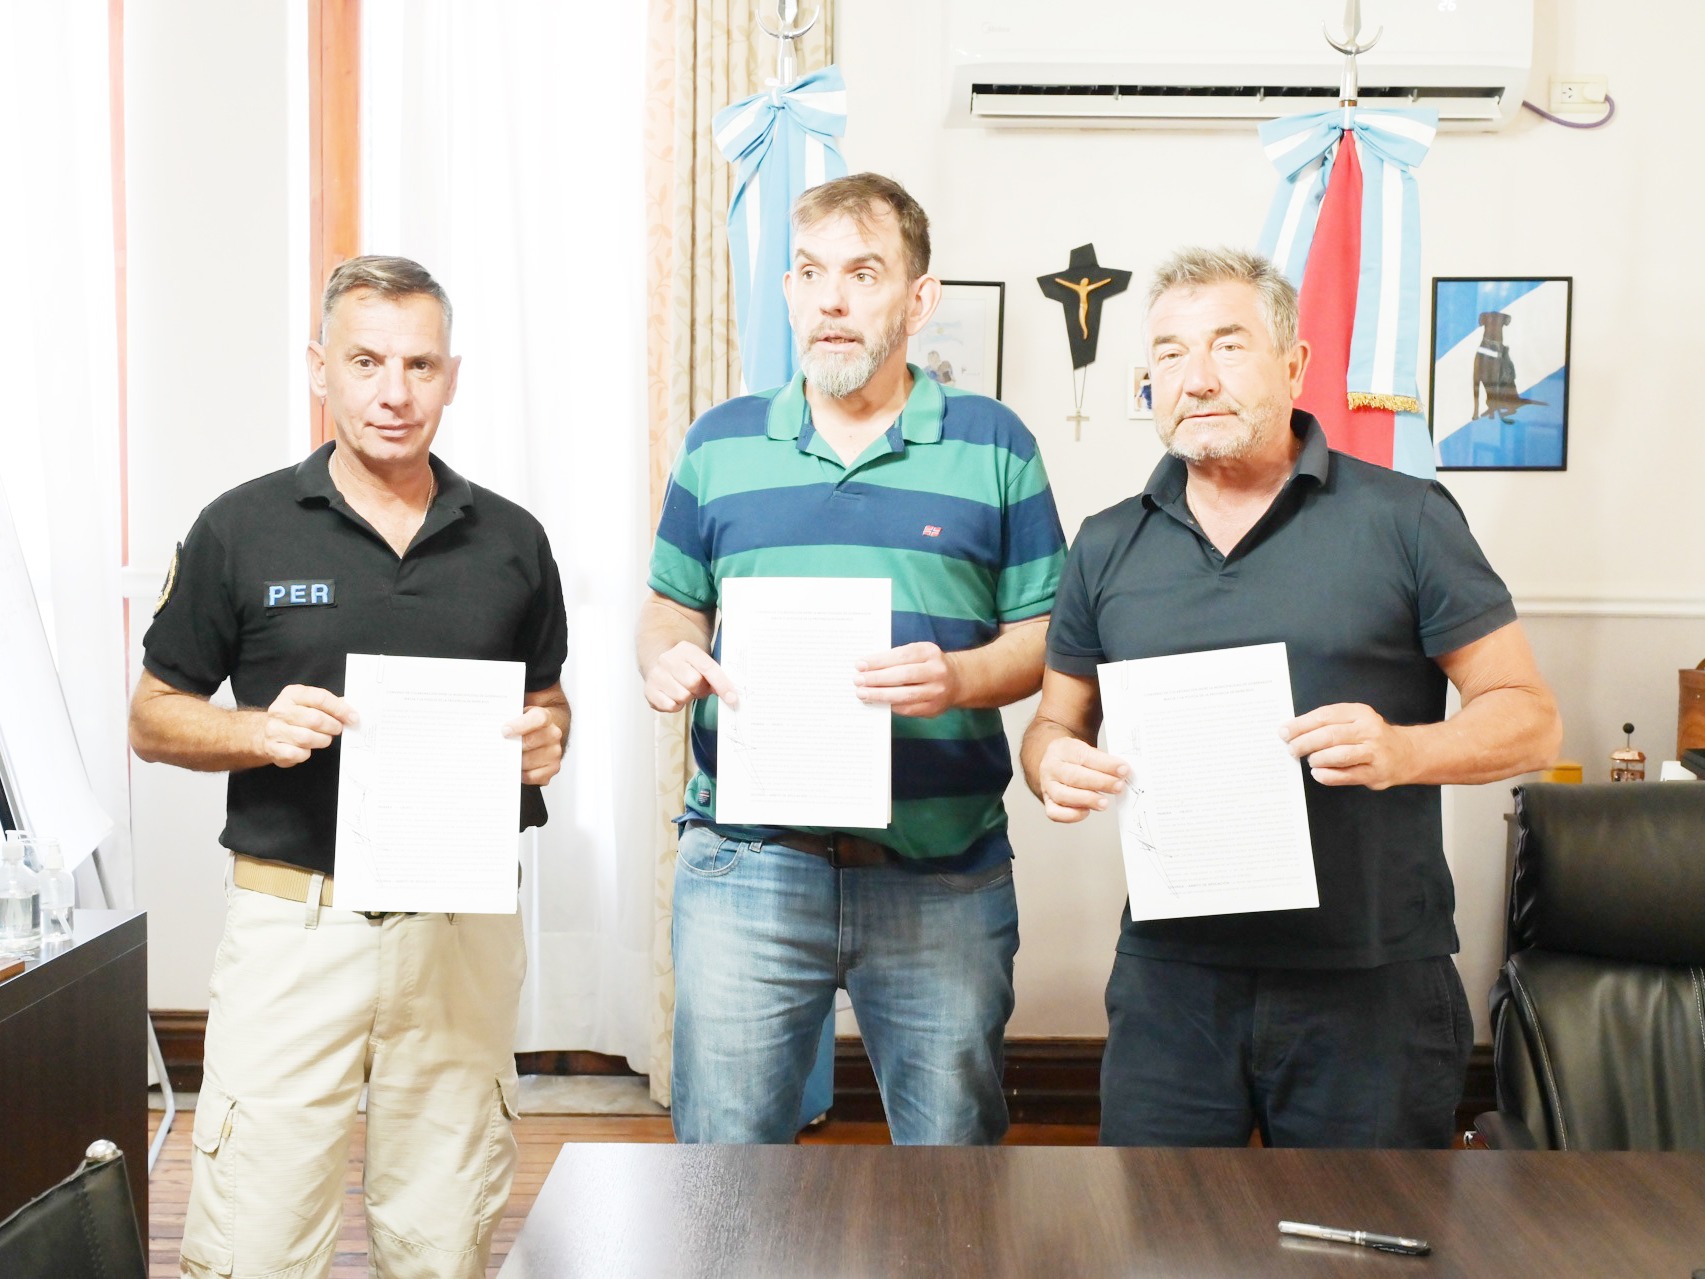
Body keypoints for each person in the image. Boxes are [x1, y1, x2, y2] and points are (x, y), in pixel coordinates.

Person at [1021, 246, 1561, 1150]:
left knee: (1366, 1228)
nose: (1195, 378)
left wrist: (1405, 749)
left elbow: (1531, 718)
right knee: (1160, 1226)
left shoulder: (1406, 517)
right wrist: (1052, 767)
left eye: (1227, 345)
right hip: (1170, 984)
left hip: (1370, 981)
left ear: (1294, 364)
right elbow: (1050, 723)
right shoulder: (1106, 543)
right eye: (1168, 354)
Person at [130, 256, 570, 1279]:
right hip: (296, 923)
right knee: (254, 1239)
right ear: (318, 367)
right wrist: (256, 731)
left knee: (444, 1235)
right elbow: (151, 717)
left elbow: (546, 701)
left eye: (419, 364)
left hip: (458, 927)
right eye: (366, 361)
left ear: (451, 376)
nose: (393, 391)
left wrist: (550, 736)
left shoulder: (512, 540)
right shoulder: (240, 526)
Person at [638, 173, 1065, 1145]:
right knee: (724, 1172)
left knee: (951, 1170)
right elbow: (668, 605)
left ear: (918, 299)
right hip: (747, 863)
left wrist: (958, 678)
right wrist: (667, 656)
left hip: (939, 872)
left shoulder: (995, 444)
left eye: (863, 274)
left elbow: (1048, 636)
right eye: (811, 272)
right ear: (788, 291)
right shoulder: (719, 443)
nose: (831, 300)